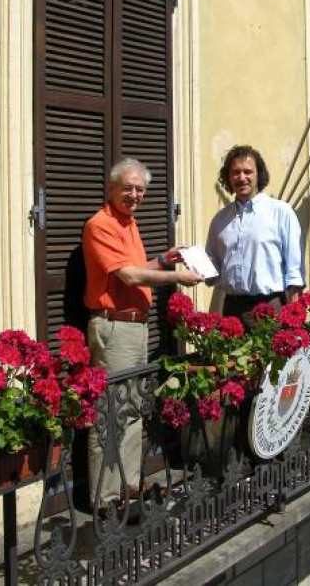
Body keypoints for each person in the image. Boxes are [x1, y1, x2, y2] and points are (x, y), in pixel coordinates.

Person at [83, 157, 202, 512]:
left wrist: (165, 260)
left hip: (135, 326)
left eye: (140, 189)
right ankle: (104, 498)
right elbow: (130, 278)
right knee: (111, 411)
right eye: (127, 188)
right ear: (112, 188)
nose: (134, 195)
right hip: (114, 325)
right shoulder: (100, 225)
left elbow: (139, 269)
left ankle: (128, 487)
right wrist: (178, 279)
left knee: (132, 408)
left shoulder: (128, 224)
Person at [206, 145, 304, 322]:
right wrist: (193, 264)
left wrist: (295, 314)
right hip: (231, 309)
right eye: (235, 172)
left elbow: (294, 269)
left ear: (259, 174)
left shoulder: (281, 212)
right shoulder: (219, 220)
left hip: (270, 308)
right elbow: (212, 266)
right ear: (228, 177)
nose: (241, 177)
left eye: (247, 171)